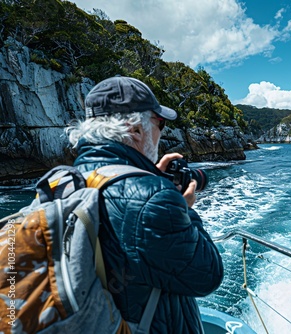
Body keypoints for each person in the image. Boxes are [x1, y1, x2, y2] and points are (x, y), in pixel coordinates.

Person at [66, 75, 224, 333]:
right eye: (159, 122)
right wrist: (183, 208)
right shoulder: (155, 200)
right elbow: (208, 276)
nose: (162, 131)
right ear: (135, 130)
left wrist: (151, 178)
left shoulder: (66, 181)